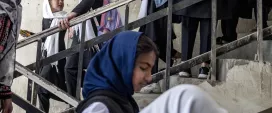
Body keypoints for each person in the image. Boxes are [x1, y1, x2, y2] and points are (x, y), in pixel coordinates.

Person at [75, 31, 228, 113]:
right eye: (143, 68)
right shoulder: (100, 107)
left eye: (150, 69)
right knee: (187, 98)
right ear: (122, 64)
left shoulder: (123, 101)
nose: (149, 78)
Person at [59, 0, 109, 98]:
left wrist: (70, 16)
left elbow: (86, 4)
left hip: (94, 36)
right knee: (70, 68)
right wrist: (73, 26)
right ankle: (74, 104)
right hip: (83, 34)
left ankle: (101, 90)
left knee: (89, 69)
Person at [38, 0, 68, 113]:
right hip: (47, 58)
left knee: (49, 87)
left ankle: (78, 105)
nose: (61, 1)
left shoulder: (65, 17)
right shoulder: (46, 19)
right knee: (43, 88)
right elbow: (45, 39)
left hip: (58, 57)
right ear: (49, 2)